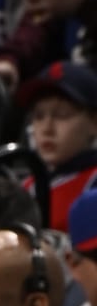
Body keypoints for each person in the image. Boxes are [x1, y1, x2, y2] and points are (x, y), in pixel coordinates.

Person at [18, 63, 97, 233]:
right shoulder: (24, 186)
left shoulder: (93, 181)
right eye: (38, 116)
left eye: (62, 115)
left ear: (94, 122)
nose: (47, 128)